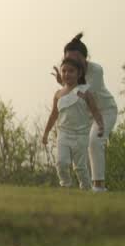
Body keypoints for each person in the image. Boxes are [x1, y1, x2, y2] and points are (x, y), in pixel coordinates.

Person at [52, 32, 117, 191]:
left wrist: (64, 84)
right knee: (80, 149)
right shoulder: (71, 73)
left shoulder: (96, 70)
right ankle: (84, 186)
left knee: (94, 141)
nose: (71, 62)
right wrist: (65, 84)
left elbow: (81, 93)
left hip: (105, 111)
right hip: (86, 116)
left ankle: (99, 187)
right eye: (68, 59)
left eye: (75, 59)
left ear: (84, 58)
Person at [43, 56, 105, 190]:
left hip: (81, 135)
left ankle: (86, 188)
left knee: (81, 167)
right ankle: (65, 186)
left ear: (79, 73)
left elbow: (95, 111)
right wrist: (46, 133)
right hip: (64, 134)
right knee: (61, 162)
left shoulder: (84, 92)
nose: (67, 74)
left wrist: (100, 126)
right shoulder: (58, 94)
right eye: (64, 71)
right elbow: (53, 115)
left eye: (71, 71)